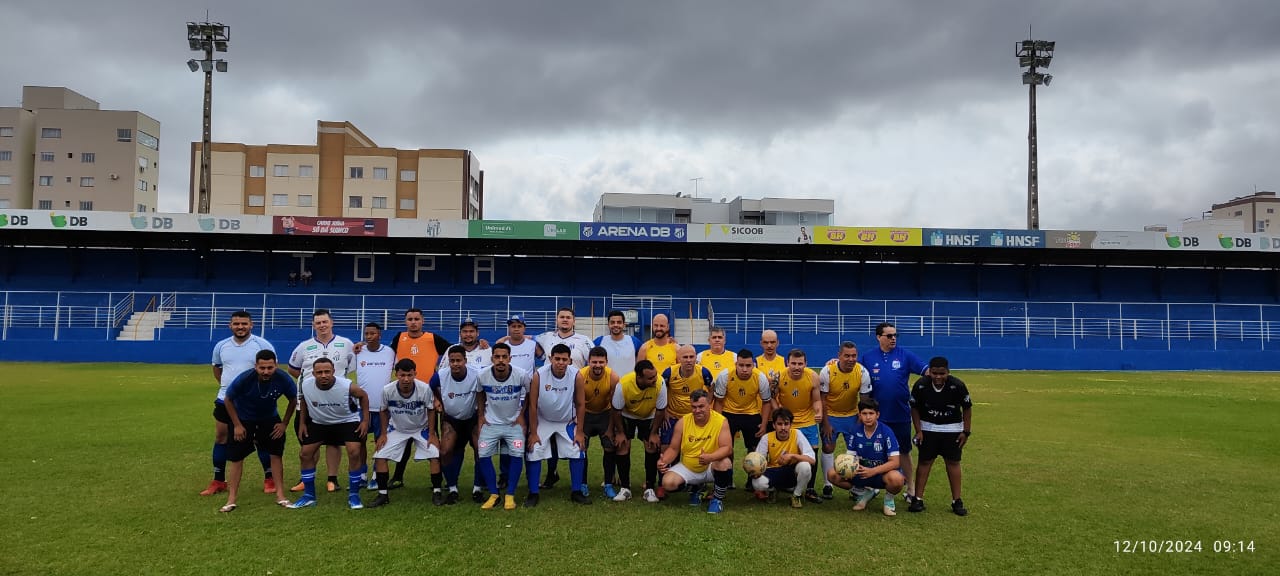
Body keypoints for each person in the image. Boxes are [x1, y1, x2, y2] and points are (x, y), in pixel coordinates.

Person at [204, 310, 276, 497]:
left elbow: (270, 370)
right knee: (221, 437)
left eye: (244, 323)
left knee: (260, 439)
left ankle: (269, 478)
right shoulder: (221, 346)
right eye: (236, 323)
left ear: (251, 325)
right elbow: (217, 369)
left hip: (254, 401)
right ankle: (219, 480)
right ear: (230, 325)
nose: (240, 327)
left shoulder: (262, 344)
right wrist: (229, 388)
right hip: (226, 399)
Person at [286, 309, 356, 494]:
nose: (322, 325)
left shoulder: (346, 344)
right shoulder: (304, 346)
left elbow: (351, 366)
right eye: (318, 323)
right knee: (308, 441)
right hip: (310, 403)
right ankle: (306, 478)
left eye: (325, 322)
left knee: (334, 442)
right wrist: (308, 383)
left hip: (336, 402)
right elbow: (293, 369)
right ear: (313, 325)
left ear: (331, 323)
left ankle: (332, 479)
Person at [217, 350, 297, 513]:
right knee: (237, 458)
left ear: (276, 365)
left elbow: (293, 399)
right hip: (244, 419)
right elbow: (228, 399)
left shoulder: (283, 378)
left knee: (276, 454)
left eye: (270, 367)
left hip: (270, 419)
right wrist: (237, 425)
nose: (266, 371)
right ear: (256, 366)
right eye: (262, 368)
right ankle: (231, 499)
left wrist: (284, 423)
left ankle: (280, 495)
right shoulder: (245, 378)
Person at [287, 357, 370, 509]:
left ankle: (354, 495)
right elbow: (304, 401)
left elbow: (363, 396)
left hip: (346, 421)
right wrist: (303, 423)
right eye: (319, 372)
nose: (323, 375)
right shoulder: (306, 385)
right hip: (320, 423)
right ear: (313, 373)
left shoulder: (347, 386)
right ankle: (309, 496)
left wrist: (365, 421)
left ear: (333, 372)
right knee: (305, 453)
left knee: (354, 451)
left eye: (327, 371)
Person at [861, 322, 929, 505]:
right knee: (872, 449)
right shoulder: (867, 357)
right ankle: (871, 486)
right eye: (889, 335)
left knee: (904, 451)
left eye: (895, 335)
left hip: (900, 414)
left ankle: (911, 488)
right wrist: (833, 362)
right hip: (876, 416)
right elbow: (852, 370)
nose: (893, 339)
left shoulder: (905, 355)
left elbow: (926, 370)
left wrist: (940, 373)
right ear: (878, 337)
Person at [384, 307, 452, 489]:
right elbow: (384, 354)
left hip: (428, 395)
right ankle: (398, 477)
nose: (413, 322)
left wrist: (482, 344)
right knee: (404, 437)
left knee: (433, 436)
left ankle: (440, 480)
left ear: (423, 321)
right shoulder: (399, 338)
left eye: (416, 319)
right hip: (404, 395)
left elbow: (453, 351)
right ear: (405, 321)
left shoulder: (433, 338)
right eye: (410, 319)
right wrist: (362, 347)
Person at [530, 308, 594, 488]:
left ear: (574, 320)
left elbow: (595, 362)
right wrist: (502, 340)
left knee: (578, 446)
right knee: (538, 448)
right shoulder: (545, 338)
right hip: (547, 404)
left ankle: (579, 486)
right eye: (562, 317)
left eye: (568, 317)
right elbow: (524, 339)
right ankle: (543, 483)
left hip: (570, 400)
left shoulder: (584, 341)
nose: (565, 320)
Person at [366, 359, 442, 508]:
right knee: (380, 456)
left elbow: (431, 410)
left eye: (409, 375)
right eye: (402, 375)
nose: (406, 379)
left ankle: (437, 491)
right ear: (396, 375)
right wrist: (383, 434)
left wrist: (432, 434)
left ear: (415, 374)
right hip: (397, 428)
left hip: (421, 428)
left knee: (435, 454)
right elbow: (383, 411)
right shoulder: (388, 390)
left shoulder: (424, 388)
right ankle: (382, 494)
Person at [527, 344, 591, 505]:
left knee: (578, 448)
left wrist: (580, 431)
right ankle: (533, 493)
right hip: (544, 420)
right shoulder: (539, 375)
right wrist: (533, 432)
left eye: (564, 359)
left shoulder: (576, 375)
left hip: (566, 421)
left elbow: (581, 404)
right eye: (557, 359)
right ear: (550, 359)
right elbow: (532, 405)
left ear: (569, 360)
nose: (560, 362)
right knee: (533, 449)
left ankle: (576, 491)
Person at [908, 357, 973, 516]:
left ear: (948, 372)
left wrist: (966, 431)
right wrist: (919, 430)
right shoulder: (921, 385)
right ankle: (918, 499)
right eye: (934, 373)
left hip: (952, 430)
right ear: (930, 371)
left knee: (953, 462)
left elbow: (967, 408)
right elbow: (914, 408)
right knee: (924, 462)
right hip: (928, 429)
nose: (938, 377)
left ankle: (956, 501)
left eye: (942, 373)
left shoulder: (957, 385)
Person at [475, 343, 533, 510]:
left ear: (510, 358)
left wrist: (522, 415)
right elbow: (479, 393)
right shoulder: (483, 375)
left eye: (504, 357)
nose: (500, 360)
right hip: (491, 423)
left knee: (517, 454)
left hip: (513, 423)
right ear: (492, 358)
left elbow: (530, 393)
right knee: (483, 454)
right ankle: (494, 494)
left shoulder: (521, 375)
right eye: (497, 357)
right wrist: (480, 416)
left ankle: (510, 494)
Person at [825, 398, 906, 516]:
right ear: (859, 415)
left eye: (871, 413)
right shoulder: (855, 431)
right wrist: (849, 466)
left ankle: (888, 500)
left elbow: (895, 462)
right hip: (862, 473)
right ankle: (863, 493)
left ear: (877, 415)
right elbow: (851, 457)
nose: (868, 417)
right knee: (832, 473)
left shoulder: (886, 432)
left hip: (881, 474)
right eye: (864, 413)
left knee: (897, 479)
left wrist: (873, 471)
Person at [657, 390, 733, 514]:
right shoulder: (683, 422)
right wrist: (663, 461)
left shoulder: (721, 421)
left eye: (701, 406)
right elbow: (673, 448)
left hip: (710, 466)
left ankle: (717, 499)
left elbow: (727, 448)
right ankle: (696, 489)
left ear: (709, 404)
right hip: (689, 467)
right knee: (668, 483)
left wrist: (710, 457)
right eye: (694, 407)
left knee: (725, 463)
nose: (697, 410)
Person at [429, 346, 485, 504]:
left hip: (472, 418)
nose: (455, 364)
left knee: (482, 450)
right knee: (445, 451)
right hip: (451, 419)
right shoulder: (440, 376)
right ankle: (452, 488)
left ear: (465, 361)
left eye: (458, 360)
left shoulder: (477, 373)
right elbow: (429, 389)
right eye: (452, 361)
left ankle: (478, 488)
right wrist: (437, 399)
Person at [657, 345, 713, 499]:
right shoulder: (669, 372)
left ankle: (698, 483)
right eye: (685, 357)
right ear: (678, 358)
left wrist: (706, 407)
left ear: (696, 357)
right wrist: (665, 410)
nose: (689, 360)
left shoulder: (703, 372)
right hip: (673, 416)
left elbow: (711, 389)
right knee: (667, 448)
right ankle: (663, 483)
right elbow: (662, 390)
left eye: (691, 357)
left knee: (697, 448)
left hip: (694, 418)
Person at [818, 341, 871, 499]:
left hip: (852, 416)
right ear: (839, 355)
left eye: (854, 355)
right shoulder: (827, 371)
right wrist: (826, 423)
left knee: (857, 450)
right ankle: (828, 484)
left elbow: (864, 401)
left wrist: (859, 422)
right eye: (847, 355)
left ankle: (856, 486)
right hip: (831, 415)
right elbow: (823, 399)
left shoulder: (862, 372)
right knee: (828, 447)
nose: (850, 359)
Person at [712, 349, 773, 485]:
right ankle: (727, 479)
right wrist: (717, 423)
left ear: (753, 365)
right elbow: (719, 401)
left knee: (754, 448)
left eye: (748, 366)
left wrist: (763, 424)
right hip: (729, 414)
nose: (744, 369)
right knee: (726, 448)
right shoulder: (725, 376)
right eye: (741, 365)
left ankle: (752, 480)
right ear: (736, 364)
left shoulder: (760, 377)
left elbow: (766, 402)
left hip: (750, 414)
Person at [610, 360, 667, 503]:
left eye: (655, 375)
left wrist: (653, 433)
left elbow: (660, 411)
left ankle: (649, 488)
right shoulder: (623, 385)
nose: (654, 379)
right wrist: (621, 433)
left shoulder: (660, 383)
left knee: (652, 446)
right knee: (622, 445)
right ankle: (625, 488)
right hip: (627, 415)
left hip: (649, 415)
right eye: (650, 378)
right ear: (639, 378)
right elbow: (616, 411)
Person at [773, 349, 824, 503]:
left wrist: (818, 411)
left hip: (807, 421)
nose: (796, 367)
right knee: (783, 453)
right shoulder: (779, 377)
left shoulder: (813, 377)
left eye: (800, 363)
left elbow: (816, 400)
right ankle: (782, 484)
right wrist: (779, 414)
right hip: (787, 422)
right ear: (787, 363)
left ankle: (810, 489)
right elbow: (771, 397)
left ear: (805, 364)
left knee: (812, 453)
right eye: (793, 363)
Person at [354, 322, 395, 490]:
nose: (369, 336)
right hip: (361, 407)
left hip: (382, 407)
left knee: (380, 440)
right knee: (359, 441)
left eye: (372, 333)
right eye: (366, 333)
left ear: (380, 335)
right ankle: (361, 474)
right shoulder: (357, 351)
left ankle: (377, 474)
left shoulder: (389, 352)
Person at [749, 408, 816, 508]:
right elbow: (758, 462)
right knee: (756, 483)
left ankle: (796, 496)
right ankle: (771, 491)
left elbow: (812, 460)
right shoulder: (766, 438)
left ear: (790, 425)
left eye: (786, 424)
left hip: (791, 471)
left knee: (805, 466)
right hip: (774, 470)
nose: (783, 427)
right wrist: (754, 470)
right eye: (779, 424)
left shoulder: (797, 434)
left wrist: (792, 456)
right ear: (773, 425)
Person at [578, 347, 621, 499]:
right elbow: (579, 404)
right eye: (594, 362)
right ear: (588, 362)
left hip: (605, 414)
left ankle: (608, 484)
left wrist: (610, 428)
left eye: (601, 362)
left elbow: (615, 406)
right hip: (586, 414)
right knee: (581, 449)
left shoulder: (613, 377)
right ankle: (582, 484)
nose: (597, 365)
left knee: (610, 448)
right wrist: (580, 429)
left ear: (606, 362)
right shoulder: (580, 376)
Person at [595, 309, 640, 376]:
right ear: (608, 324)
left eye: (619, 322)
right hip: (607, 385)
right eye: (612, 322)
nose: (615, 325)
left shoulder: (634, 341)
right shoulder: (599, 341)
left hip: (627, 385)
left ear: (624, 324)